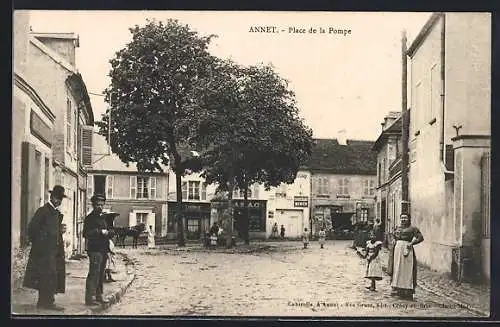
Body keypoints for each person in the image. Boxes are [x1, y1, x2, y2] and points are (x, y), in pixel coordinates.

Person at [23, 185, 67, 311]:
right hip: (44, 251)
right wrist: (43, 242)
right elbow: (32, 229)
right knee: (45, 276)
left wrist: (60, 231)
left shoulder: (56, 213)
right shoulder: (43, 211)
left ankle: (46, 301)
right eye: (56, 198)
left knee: (52, 276)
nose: (58, 201)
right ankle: (45, 302)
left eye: (60, 199)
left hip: (54, 251)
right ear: (51, 197)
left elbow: (53, 230)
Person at [83, 194, 115, 306]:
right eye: (97, 205)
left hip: (103, 249)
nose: (100, 207)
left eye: (102, 204)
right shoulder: (89, 218)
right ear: (93, 205)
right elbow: (86, 234)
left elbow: (111, 231)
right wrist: (99, 231)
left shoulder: (104, 218)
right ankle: (89, 298)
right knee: (94, 273)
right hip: (94, 249)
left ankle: (99, 296)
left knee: (101, 274)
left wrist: (109, 232)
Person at [389, 213, 424, 300]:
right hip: (397, 251)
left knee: (407, 270)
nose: (403, 219)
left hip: (407, 250)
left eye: (405, 218)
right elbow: (393, 235)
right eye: (402, 218)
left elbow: (420, 237)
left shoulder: (413, 229)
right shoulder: (397, 228)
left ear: (409, 219)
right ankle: (398, 290)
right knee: (397, 269)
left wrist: (411, 243)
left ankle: (408, 292)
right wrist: (393, 239)